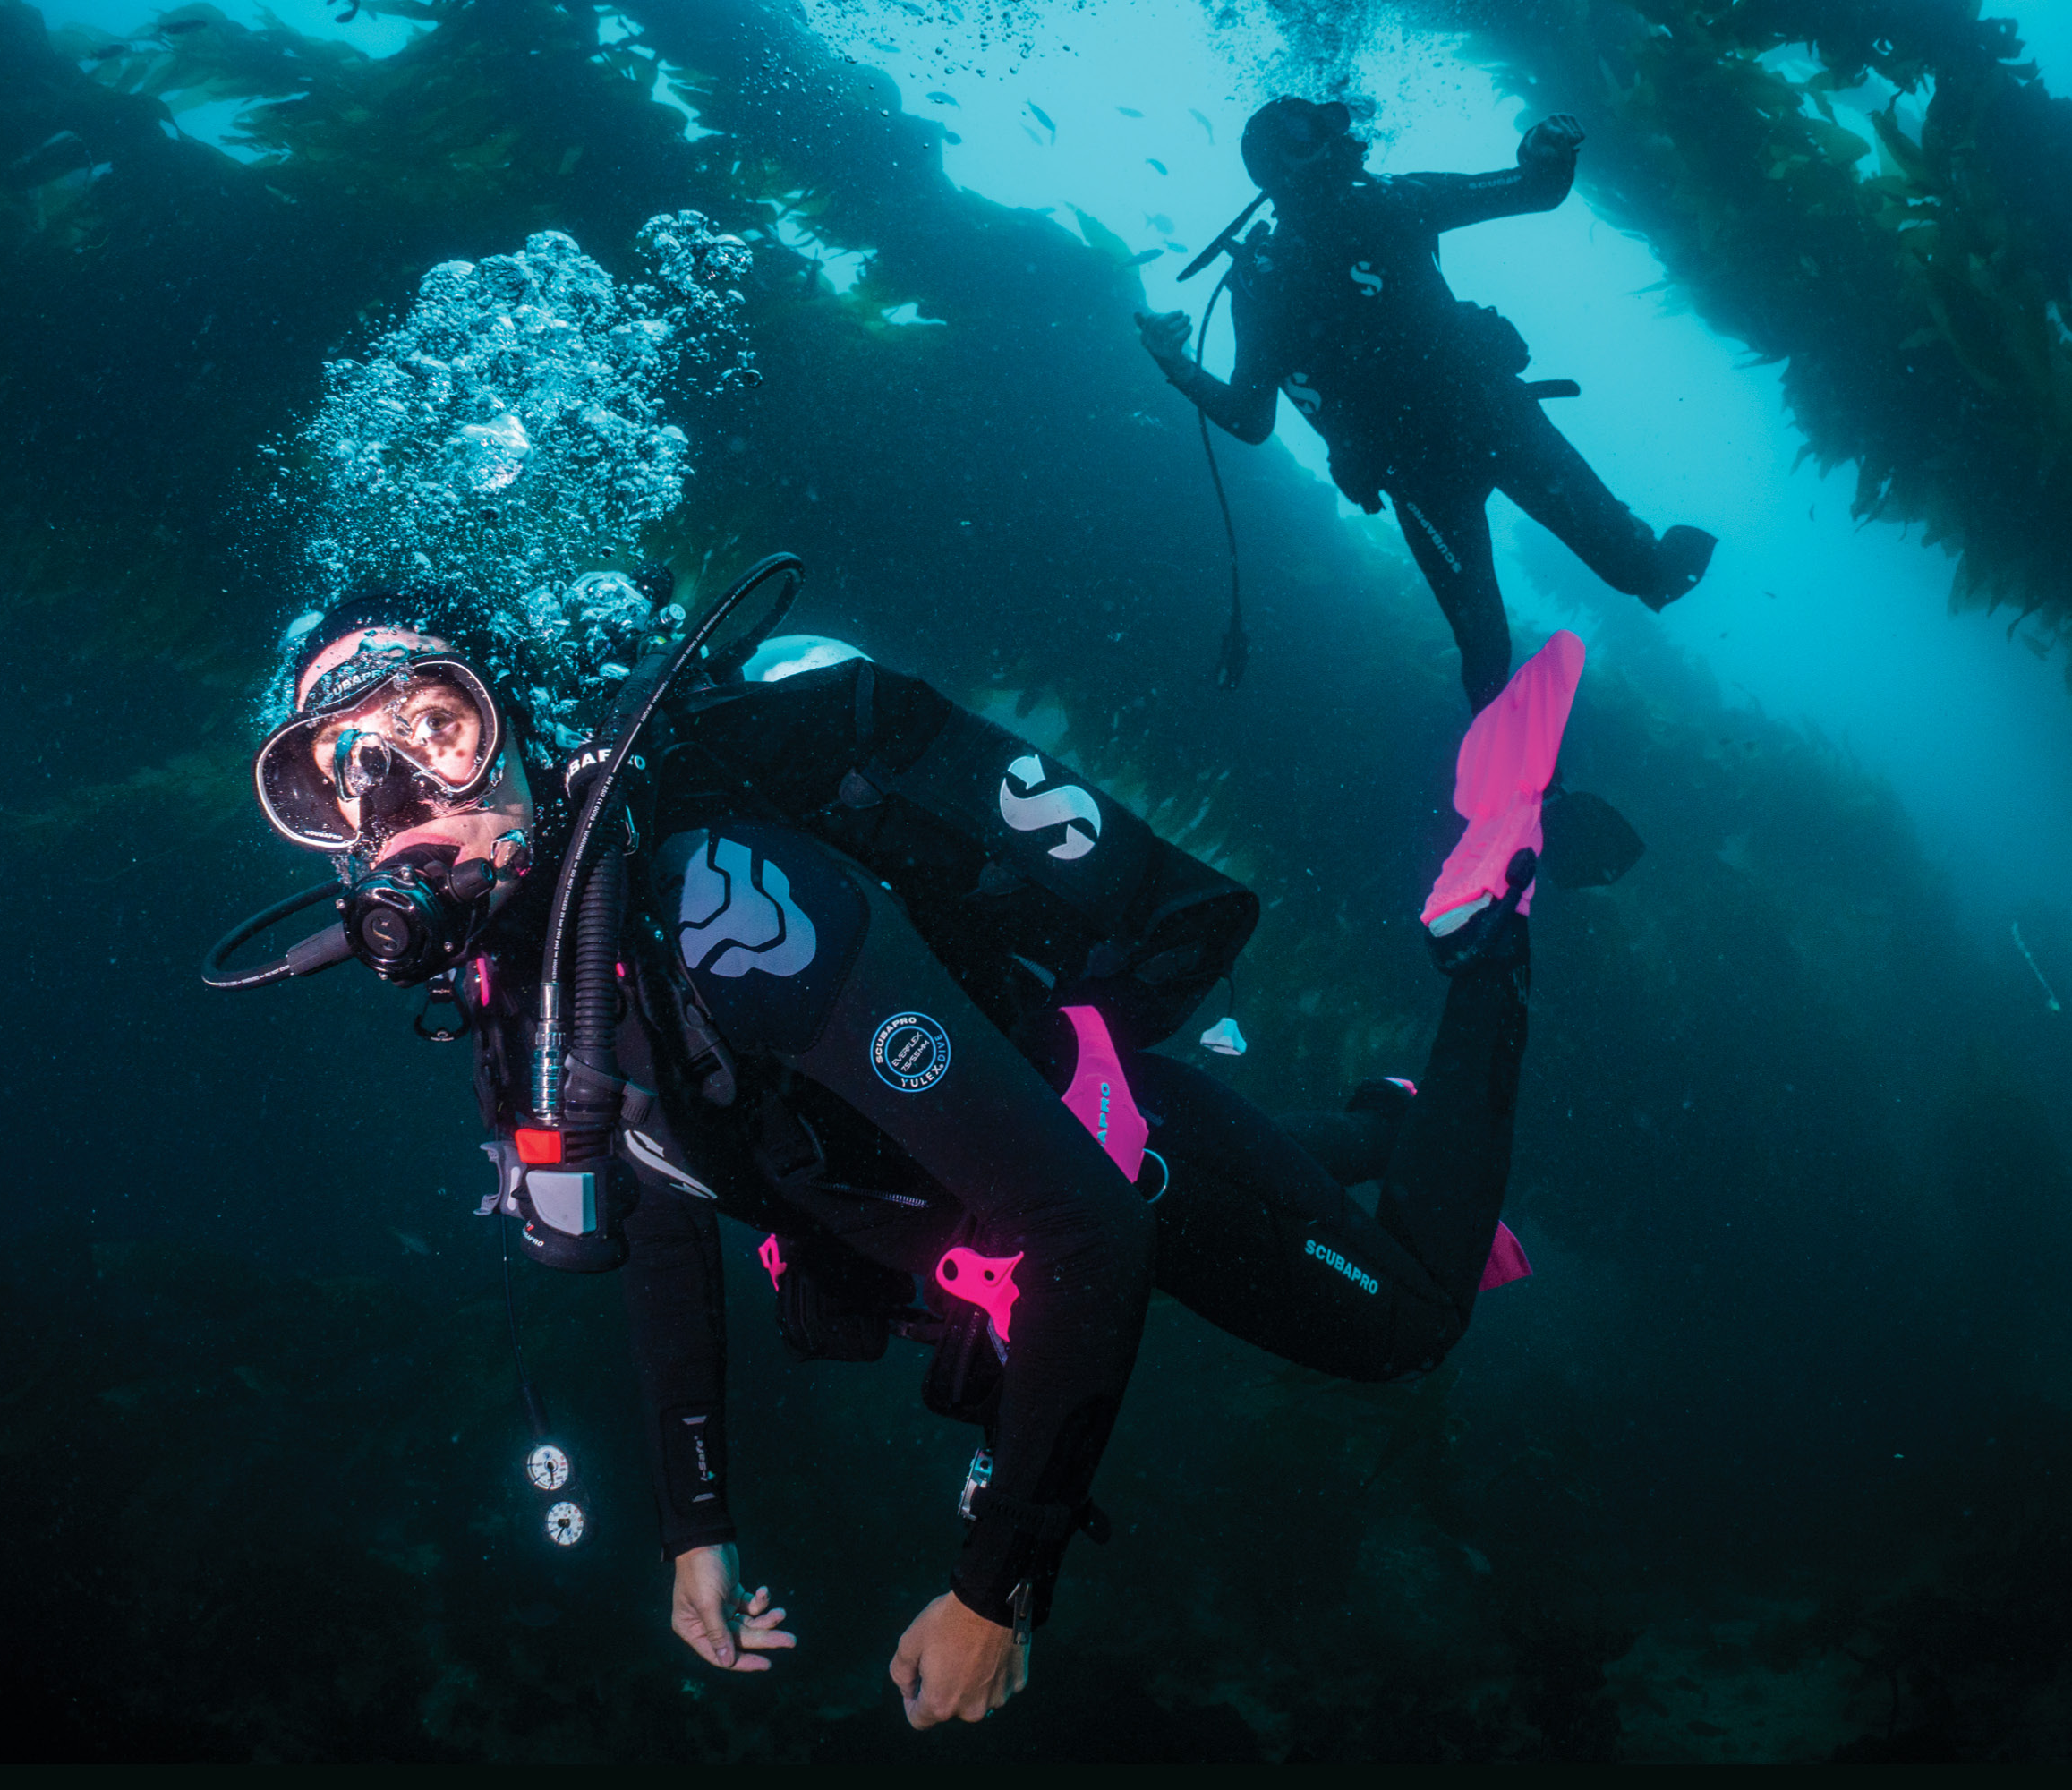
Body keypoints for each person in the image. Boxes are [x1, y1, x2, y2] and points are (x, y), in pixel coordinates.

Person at [217, 571, 1626, 1728]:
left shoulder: (727, 907)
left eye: (435, 725)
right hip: (992, 1198)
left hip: (1112, 1172)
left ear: (514, 722)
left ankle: (1482, 920)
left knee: (1406, 1329)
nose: (401, 798)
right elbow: (657, 1215)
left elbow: (1089, 1231)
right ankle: (1388, 1123)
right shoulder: (521, 985)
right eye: (342, 775)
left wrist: (996, 1588)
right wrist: (695, 1525)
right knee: (1273, 1170)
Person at [1136, 97, 1718, 712]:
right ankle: (1511, 764)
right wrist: (1177, 366)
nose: (1336, 140)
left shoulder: (1392, 200)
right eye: (1307, 135)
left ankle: (1633, 552)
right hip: (1420, 475)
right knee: (1486, 651)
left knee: (1646, 574)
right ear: (1275, 168)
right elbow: (1251, 419)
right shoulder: (1264, 280)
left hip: (1495, 420)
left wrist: (1543, 152)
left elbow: (1532, 190)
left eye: (1329, 127)